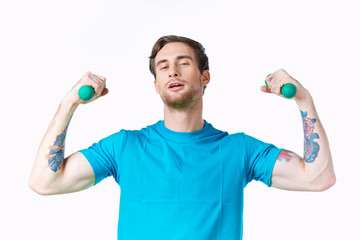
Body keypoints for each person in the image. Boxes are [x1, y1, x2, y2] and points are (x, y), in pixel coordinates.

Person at [29, 35, 336, 239]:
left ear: (205, 77)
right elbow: (45, 182)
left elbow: (317, 178)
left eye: (183, 63)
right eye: (163, 67)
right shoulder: (124, 147)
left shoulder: (239, 150)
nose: (172, 71)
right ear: (157, 85)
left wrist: (304, 100)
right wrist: (68, 104)